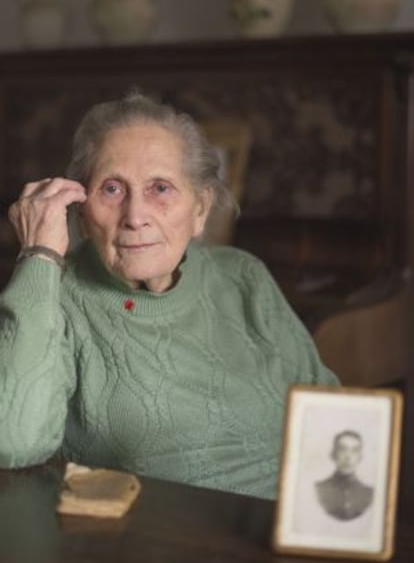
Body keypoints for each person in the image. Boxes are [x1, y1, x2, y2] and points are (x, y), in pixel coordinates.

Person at [0, 89, 338, 500]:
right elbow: (11, 442)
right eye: (112, 189)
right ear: (83, 213)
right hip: (159, 550)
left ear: (199, 210)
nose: (136, 216)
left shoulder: (243, 276)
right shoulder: (57, 298)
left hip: (286, 530)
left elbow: (331, 414)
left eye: (160, 188)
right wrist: (39, 256)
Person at [315, 430, 374, 520]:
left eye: (355, 450)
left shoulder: (369, 493)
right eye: (343, 449)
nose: (348, 456)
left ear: (360, 457)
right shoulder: (318, 490)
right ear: (333, 454)